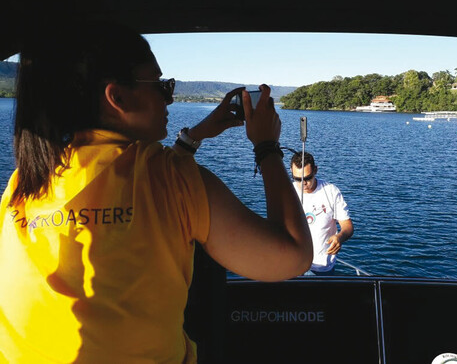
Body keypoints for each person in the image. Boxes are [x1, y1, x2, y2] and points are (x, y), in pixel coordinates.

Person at [0, 20, 312, 363]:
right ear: (116, 97)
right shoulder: (171, 180)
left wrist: (194, 136)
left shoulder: (20, 186)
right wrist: (267, 146)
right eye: (162, 86)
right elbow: (292, 257)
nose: (170, 97)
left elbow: (137, 186)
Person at [290, 152, 354, 276]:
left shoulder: (331, 192)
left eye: (307, 178)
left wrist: (339, 237)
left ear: (315, 170)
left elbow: (348, 226)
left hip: (321, 268)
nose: (303, 183)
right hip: (293, 264)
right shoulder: (287, 192)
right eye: (297, 179)